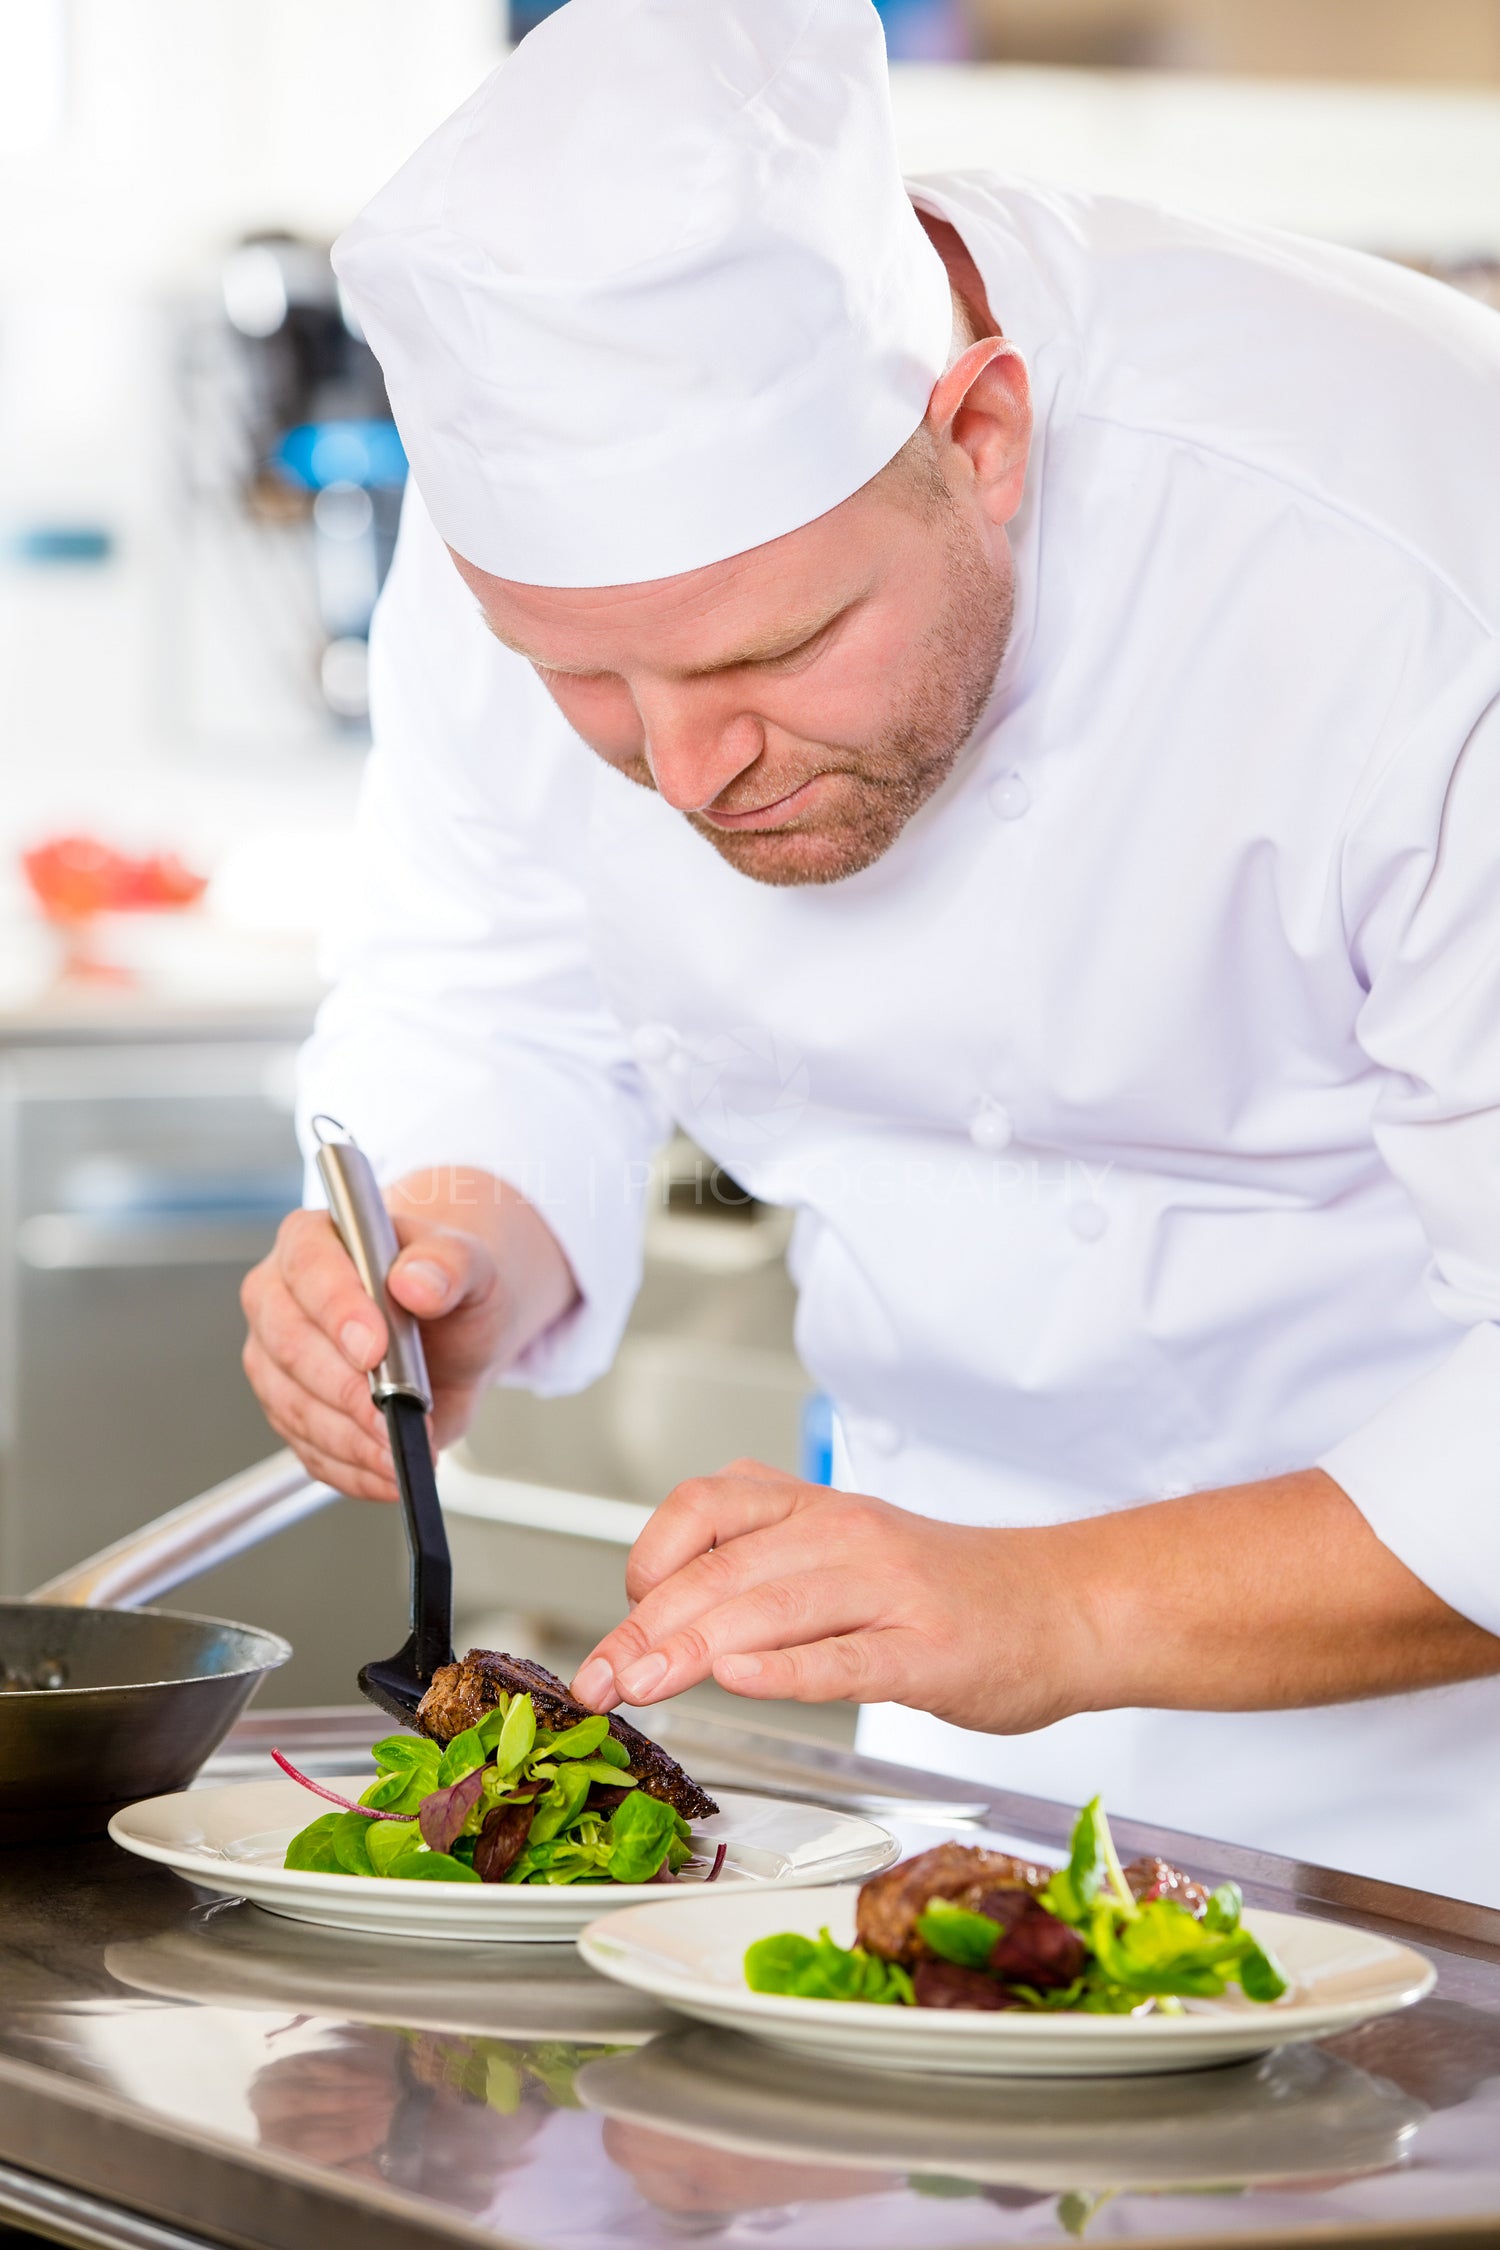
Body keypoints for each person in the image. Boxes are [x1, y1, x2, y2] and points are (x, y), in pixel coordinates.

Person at [240, 0, 1500, 1897]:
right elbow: (490, 980)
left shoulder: (1413, 556)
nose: (684, 765)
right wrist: (450, 1251)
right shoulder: (544, 533)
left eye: (765, 653)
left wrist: (1052, 1607)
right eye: (584, 679)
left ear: (979, 436)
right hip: (950, 1792)